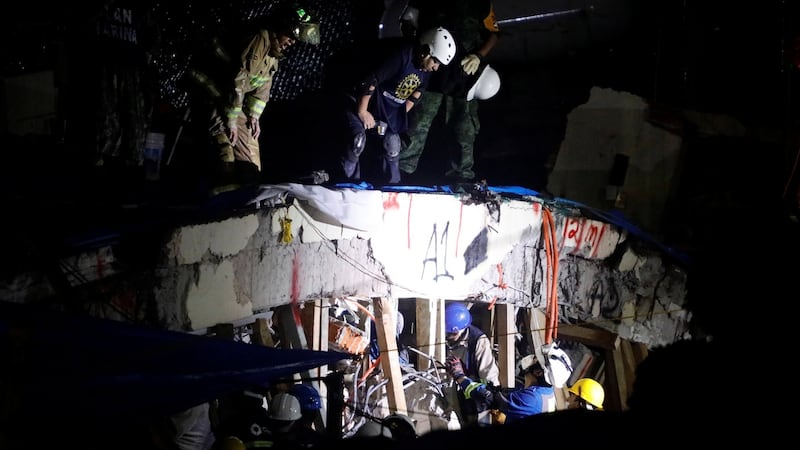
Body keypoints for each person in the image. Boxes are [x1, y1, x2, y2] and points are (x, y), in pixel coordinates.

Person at [187, 2, 320, 194]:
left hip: (230, 100)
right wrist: (232, 120)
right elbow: (238, 80)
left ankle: (245, 196)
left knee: (250, 158)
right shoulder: (259, 38)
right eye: (291, 35)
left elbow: (263, 83)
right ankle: (222, 200)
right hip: (211, 92)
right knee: (225, 149)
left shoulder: (273, 51)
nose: (292, 42)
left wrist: (253, 116)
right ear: (281, 26)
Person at [338, 26, 456, 185]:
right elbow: (370, 81)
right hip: (361, 103)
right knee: (357, 141)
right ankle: (346, 183)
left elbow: (417, 93)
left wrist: (398, 115)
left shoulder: (424, 69)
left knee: (392, 144)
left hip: (383, 112)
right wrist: (362, 111)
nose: (436, 68)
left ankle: (391, 187)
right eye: (435, 61)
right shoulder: (402, 56)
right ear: (425, 51)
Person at [399, 0, 500, 184]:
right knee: (416, 123)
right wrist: (418, 50)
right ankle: (400, 172)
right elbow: (407, 20)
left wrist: (478, 56)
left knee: (464, 128)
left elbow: (493, 33)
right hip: (431, 71)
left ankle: (461, 178)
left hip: (465, 74)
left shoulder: (481, 3)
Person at [445, 352, 573, 424]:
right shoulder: (544, 392)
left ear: (539, 372)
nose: (531, 360)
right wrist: (468, 377)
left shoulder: (531, 399)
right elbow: (500, 392)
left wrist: (460, 376)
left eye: (535, 360)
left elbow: (490, 398)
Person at [443, 302, 500, 427]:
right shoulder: (442, 339)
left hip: (474, 402)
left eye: (450, 334)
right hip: (449, 397)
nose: (447, 337)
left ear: (459, 330)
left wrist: (462, 376)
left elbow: (489, 380)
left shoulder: (478, 341)